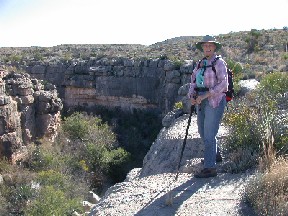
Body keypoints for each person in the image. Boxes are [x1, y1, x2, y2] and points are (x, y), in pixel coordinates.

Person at [188, 35, 228, 178]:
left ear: (214, 47)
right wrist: (191, 96)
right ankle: (215, 155)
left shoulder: (219, 63)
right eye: (205, 46)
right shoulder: (200, 64)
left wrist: (206, 95)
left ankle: (210, 168)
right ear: (202, 48)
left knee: (210, 134)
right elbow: (193, 82)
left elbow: (224, 84)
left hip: (214, 101)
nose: (207, 48)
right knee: (202, 131)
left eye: (210, 45)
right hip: (201, 101)